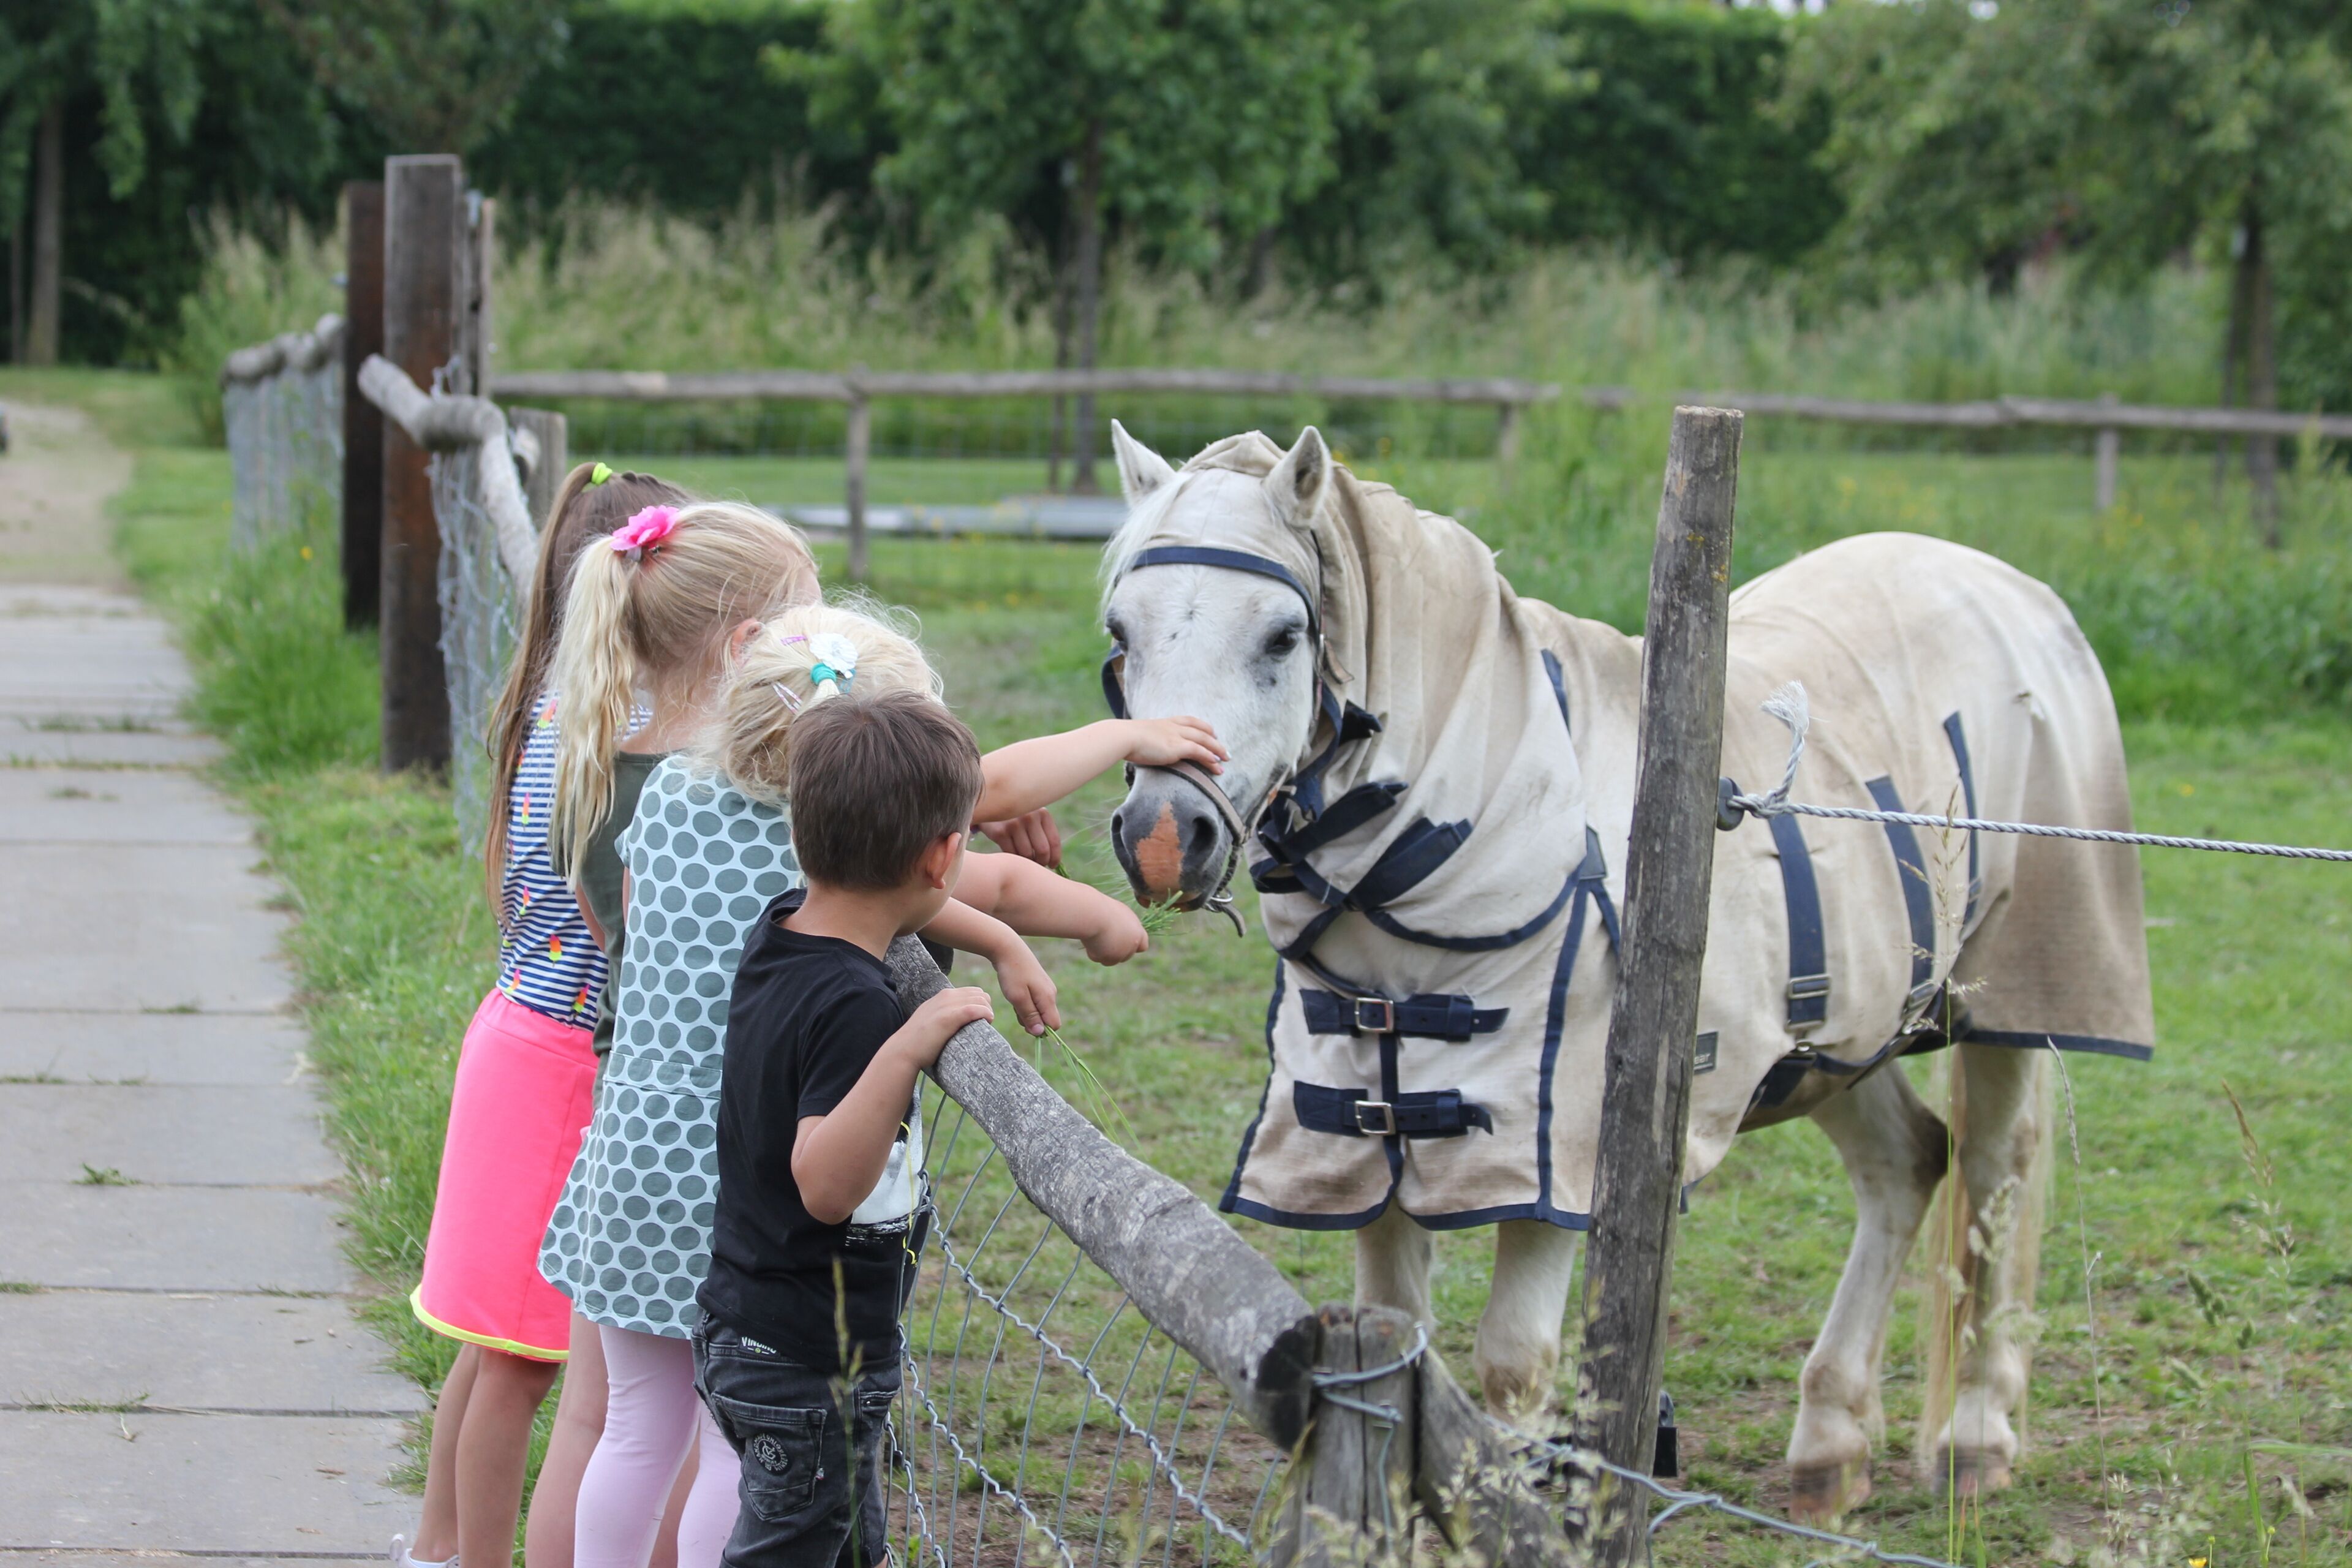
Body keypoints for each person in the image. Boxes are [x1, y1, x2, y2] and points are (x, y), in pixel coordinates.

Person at [392, 462, 685, 1568]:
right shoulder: (618, 736)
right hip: (564, 1069)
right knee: (521, 1358)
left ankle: (435, 1550)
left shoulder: (556, 705)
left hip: (517, 1042)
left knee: (489, 1347)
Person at [692, 690, 1004, 1568]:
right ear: (943, 857)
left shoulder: (784, 927)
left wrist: (1002, 945)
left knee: (845, 1547)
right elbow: (826, 1185)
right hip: (805, 1362)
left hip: (751, 1322)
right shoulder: (860, 1006)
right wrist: (905, 1047)